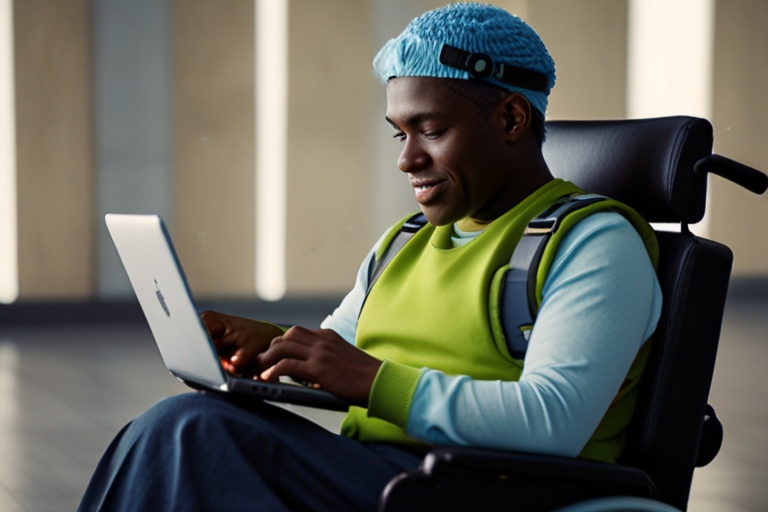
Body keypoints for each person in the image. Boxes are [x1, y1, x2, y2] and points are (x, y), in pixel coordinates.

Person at [78, 3, 662, 511]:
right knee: (167, 429)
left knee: (190, 434)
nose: (407, 159)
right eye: (398, 134)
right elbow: (341, 351)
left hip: (483, 491)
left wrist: (370, 379)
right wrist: (273, 345)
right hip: (383, 477)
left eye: (429, 130)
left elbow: (551, 421)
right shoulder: (407, 241)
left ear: (511, 118)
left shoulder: (594, 244)